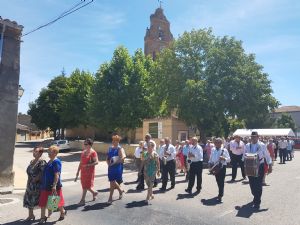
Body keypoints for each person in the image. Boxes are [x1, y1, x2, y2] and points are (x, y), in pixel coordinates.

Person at [244, 131, 272, 210]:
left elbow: (267, 155)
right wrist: (244, 167)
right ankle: (255, 195)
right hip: (250, 166)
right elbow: (244, 156)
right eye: (252, 136)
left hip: (260, 165)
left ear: (258, 136)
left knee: (258, 184)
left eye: (254, 136)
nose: (253, 138)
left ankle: (257, 202)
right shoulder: (247, 145)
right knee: (252, 184)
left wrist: (270, 165)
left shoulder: (262, 145)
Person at [39, 145, 66, 223]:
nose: (48, 153)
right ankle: (42, 217)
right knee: (43, 201)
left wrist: (54, 185)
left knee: (55, 202)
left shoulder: (56, 161)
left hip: (54, 186)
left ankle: (63, 211)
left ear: (55, 153)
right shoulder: (50, 161)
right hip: (45, 185)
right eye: (48, 152)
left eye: (49, 152)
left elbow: (57, 174)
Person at [23, 146, 46, 221]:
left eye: (36, 151)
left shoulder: (42, 161)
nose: (34, 152)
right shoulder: (32, 161)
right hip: (30, 184)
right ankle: (31, 215)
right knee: (29, 199)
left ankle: (43, 216)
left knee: (37, 200)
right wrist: (28, 183)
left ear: (40, 153)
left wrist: (35, 179)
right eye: (34, 151)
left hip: (37, 185)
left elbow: (42, 173)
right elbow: (29, 172)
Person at [75, 138, 99, 205]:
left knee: (85, 186)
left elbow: (97, 162)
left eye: (86, 144)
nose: (84, 145)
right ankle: (94, 193)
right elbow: (81, 162)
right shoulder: (83, 152)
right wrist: (77, 172)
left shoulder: (93, 152)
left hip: (89, 172)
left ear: (90, 145)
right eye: (84, 144)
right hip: (83, 172)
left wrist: (88, 165)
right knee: (85, 185)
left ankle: (82, 200)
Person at [208, 138, 230, 203]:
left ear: (221, 143)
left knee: (221, 181)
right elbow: (211, 157)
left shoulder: (224, 150)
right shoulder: (213, 149)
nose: (217, 144)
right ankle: (220, 190)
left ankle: (220, 195)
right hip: (215, 167)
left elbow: (229, 159)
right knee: (218, 180)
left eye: (218, 142)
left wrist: (224, 158)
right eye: (216, 142)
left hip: (222, 167)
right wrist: (209, 163)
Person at [106, 135, 125, 204]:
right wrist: (108, 163)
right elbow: (107, 158)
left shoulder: (119, 149)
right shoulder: (110, 148)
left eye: (115, 140)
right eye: (112, 140)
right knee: (112, 181)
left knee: (112, 182)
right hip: (110, 167)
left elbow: (122, 159)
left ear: (118, 141)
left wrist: (115, 161)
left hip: (117, 168)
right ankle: (120, 191)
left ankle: (110, 198)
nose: (113, 141)